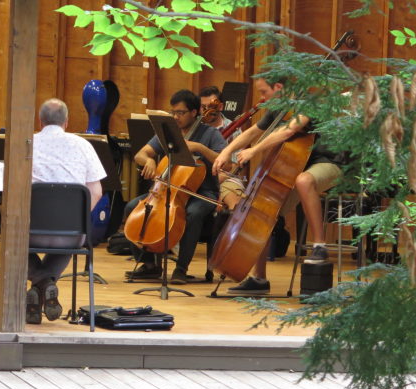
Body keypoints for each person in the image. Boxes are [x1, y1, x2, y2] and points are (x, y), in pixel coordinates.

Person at [212, 76, 340, 293]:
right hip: (295, 167)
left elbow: (288, 131)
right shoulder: (278, 108)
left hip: (327, 162)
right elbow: (253, 132)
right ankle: (259, 279)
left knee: (304, 180)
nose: (262, 98)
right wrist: (225, 151)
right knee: (263, 210)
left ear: (278, 87)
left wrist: (255, 150)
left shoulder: (310, 103)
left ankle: (319, 245)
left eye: (264, 92)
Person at [125, 89, 228, 284]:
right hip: (168, 189)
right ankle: (149, 265)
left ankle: (181, 269)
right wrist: (149, 161)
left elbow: (227, 163)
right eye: (173, 112)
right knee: (131, 207)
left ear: (195, 112)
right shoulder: (168, 132)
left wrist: (199, 148)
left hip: (203, 191)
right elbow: (141, 154)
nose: (176, 117)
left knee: (193, 213)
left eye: (180, 113)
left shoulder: (210, 133)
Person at [28, 98, 107, 325]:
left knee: (12, 240)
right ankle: (46, 284)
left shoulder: (27, 143)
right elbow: (97, 192)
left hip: (32, 231)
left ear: (40, 122)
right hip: (71, 234)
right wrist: (78, 219)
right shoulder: (83, 145)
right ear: (67, 122)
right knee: (73, 237)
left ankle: (40, 284)